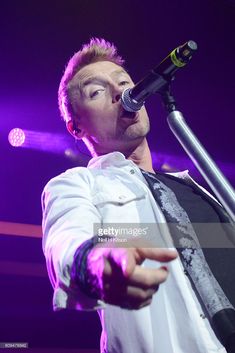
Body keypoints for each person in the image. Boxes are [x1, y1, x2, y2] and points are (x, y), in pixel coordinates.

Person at [42, 38, 235, 353]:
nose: (121, 93)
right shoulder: (77, 184)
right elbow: (66, 244)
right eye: (97, 91)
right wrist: (96, 264)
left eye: (124, 83)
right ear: (76, 127)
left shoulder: (195, 187)